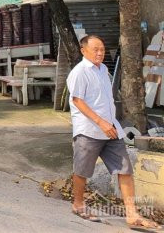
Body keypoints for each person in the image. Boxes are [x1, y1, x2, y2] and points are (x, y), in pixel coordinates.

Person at [67, 35, 160, 230]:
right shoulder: (80, 72)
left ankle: (131, 214)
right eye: (95, 49)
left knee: (124, 169)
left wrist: (109, 123)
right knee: (82, 171)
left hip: (111, 129)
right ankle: (78, 204)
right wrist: (101, 122)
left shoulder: (103, 70)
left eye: (102, 49)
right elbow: (77, 101)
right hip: (89, 131)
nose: (100, 53)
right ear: (83, 51)